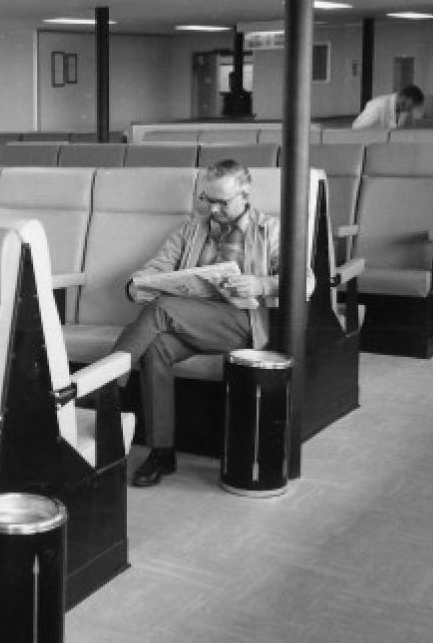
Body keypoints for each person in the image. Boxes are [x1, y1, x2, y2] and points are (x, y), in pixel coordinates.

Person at [113, 160, 302, 488]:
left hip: (245, 324)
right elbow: (158, 266)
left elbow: (305, 282)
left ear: (245, 193)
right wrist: (136, 284)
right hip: (192, 321)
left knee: (161, 310)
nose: (213, 210)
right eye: (207, 200)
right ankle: (162, 451)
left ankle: (105, 384)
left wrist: (260, 284)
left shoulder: (270, 229)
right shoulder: (192, 228)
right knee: (156, 346)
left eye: (222, 202)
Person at [351, 85, 425, 130]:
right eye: (411, 105)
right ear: (404, 98)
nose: (411, 109)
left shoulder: (403, 108)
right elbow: (357, 128)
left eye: (412, 106)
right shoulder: (379, 106)